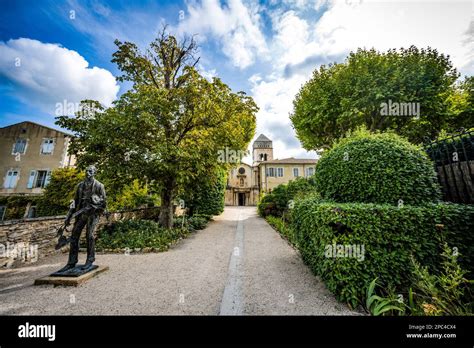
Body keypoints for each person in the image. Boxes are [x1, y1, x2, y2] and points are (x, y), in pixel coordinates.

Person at [57, 165, 106, 273]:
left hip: (93, 215)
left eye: (90, 171)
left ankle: (90, 260)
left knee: (90, 235)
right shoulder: (80, 186)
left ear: (94, 173)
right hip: (81, 214)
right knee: (74, 236)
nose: (87, 173)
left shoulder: (99, 186)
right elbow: (74, 201)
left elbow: (103, 204)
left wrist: (95, 206)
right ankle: (71, 262)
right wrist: (69, 215)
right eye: (86, 171)